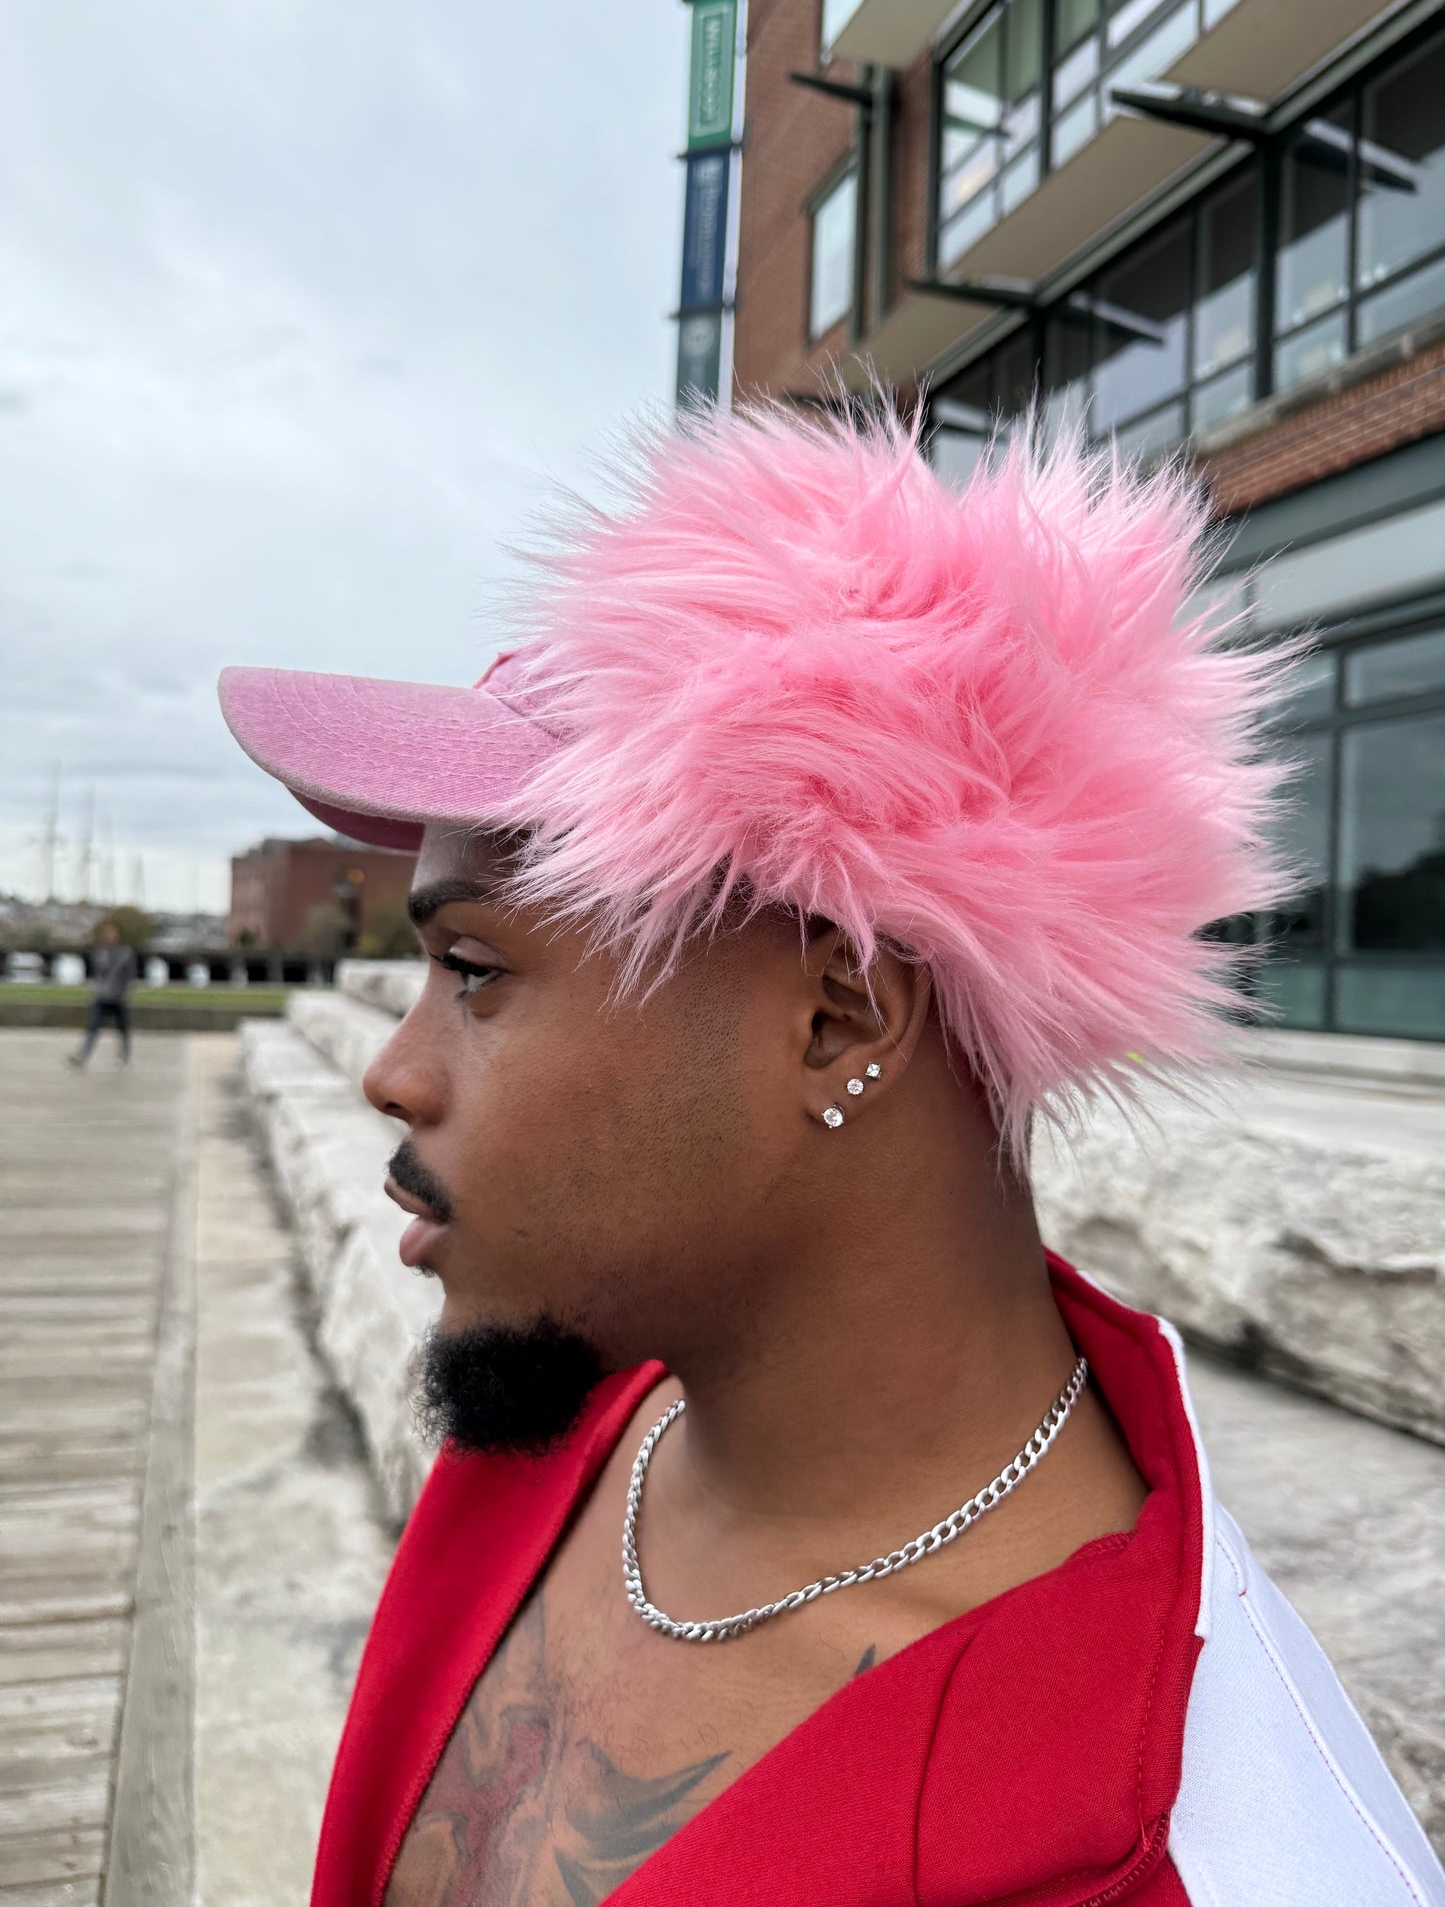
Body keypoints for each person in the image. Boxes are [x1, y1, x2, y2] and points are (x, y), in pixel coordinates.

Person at [219, 407, 1445, 1907]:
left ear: (836, 1018)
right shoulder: (575, 1395)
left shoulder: (1177, 1853)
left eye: (474, 969)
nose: (391, 1068)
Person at [69, 919, 136, 1068]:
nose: (110, 936)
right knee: (93, 1027)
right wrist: (96, 989)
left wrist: (124, 992)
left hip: (118, 997)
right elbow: (96, 973)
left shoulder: (125, 953)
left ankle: (124, 1055)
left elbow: (130, 975)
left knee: (122, 1028)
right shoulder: (100, 953)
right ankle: (83, 1055)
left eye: (112, 933)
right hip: (102, 996)